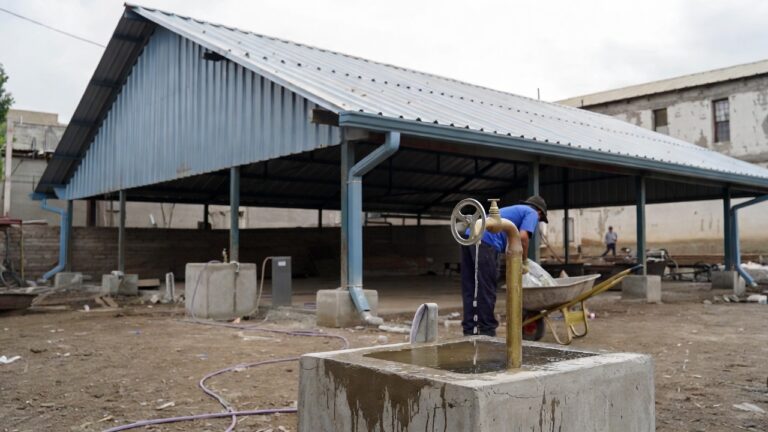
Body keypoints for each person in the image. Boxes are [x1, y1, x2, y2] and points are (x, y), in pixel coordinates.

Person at [460, 196, 548, 337]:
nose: (537, 222)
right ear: (539, 212)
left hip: (469, 237)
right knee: (486, 288)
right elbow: (524, 238)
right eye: (540, 219)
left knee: (471, 287)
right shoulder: (531, 213)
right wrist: (523, 260)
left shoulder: (512, 211)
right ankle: (487, 330)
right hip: (486, 242)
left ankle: (470, 329)